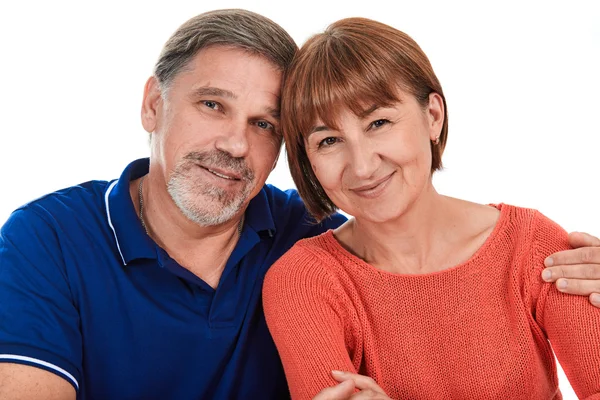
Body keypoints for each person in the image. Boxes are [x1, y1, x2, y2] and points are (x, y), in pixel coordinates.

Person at [0, 9, 597, 400]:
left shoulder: (305, 236)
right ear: (153, 104)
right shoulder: (47, 240)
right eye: (213, 105)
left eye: (263, 123)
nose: (235, 144)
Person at [263, 17, 600, 400]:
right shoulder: (303, 282)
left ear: (432, 116)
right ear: (307, 159)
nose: (361, 166)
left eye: (379, 122)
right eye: (328, 141)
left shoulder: (534, 245)